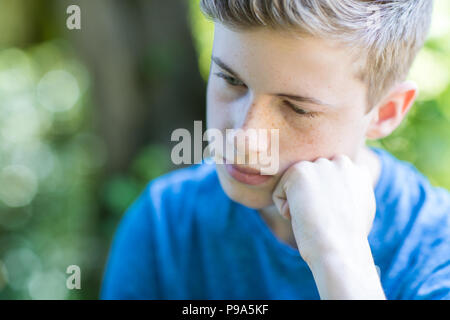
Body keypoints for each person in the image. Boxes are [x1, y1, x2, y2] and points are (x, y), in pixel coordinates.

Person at [100, 0, 450, 299]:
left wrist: (342, 262)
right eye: (231, 80)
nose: (244, 140)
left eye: (297, 108)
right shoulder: (165, 228)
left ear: (385, 111)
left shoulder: (436, 253)